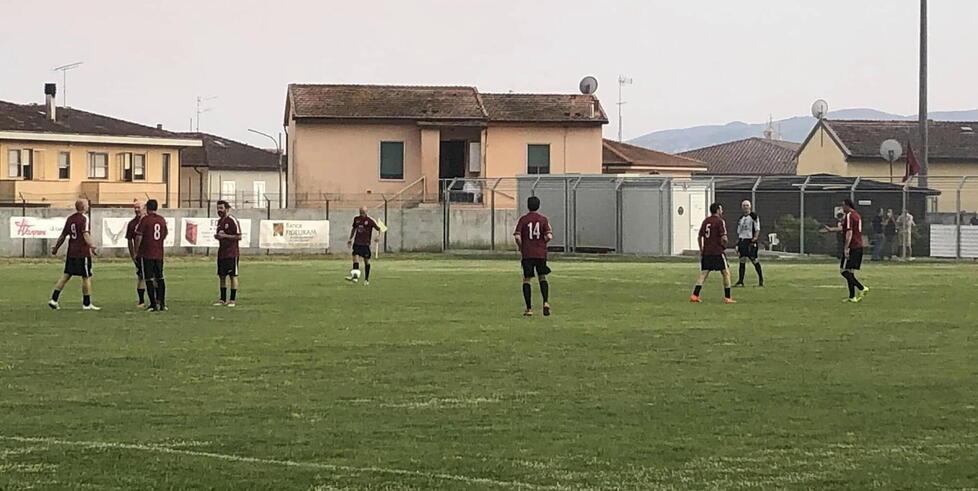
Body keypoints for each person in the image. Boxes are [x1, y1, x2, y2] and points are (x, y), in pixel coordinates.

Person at [48, 199, 100, 311]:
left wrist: (56, 248)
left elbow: (63, 235)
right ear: (83, 207)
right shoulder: (84, 218)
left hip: (71, 252)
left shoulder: (70, 219)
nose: (88, 206)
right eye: (87, 205)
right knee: (86, 277)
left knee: (66, 275)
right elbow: (85, 234)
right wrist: (92, 246)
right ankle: (87, 304)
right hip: (82, 252)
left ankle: (54, 299)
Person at [514, 196, 553, 316]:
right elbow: (549, 236)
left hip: (528, 254)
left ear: (528, 205)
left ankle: (529, 309)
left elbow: (517, 236)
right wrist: (543, 243)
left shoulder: (523, 220)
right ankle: (545, 302)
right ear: (538, 205)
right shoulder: (543, 219)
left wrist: (521, 247)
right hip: (540, 253)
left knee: (527, 279)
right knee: (542, 277)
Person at [690, 203, 735, 304]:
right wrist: (725, 244)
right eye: (721, 209)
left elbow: (699, 236)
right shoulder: (720, 221)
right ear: (718, 210)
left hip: (707, 252)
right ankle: (727, 297)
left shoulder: (706, 221)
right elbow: (724, 237)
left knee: (703, 274)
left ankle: (694, 295)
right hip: (717, 252)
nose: (722, 211)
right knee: (726, 273)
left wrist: (701, 249)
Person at [134, 199, 169, 312]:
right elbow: (165, 234)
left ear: (147, 208)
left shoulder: (145, 220)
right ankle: (162, 303)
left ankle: (153, 304)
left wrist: (137, 251)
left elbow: (139, 236)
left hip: (147, 254)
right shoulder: (161, 220)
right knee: (160, 278)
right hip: (159, 254)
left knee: (148, 279)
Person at [213, 200, 242, 307]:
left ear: (226, 209)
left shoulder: (232, 220)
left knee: (233, 276)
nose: (219, 210)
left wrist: (225, 236)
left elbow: (239, 236)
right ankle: (222, 299)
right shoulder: (220, 221)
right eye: (218, 208)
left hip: (232, 253)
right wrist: (218, 237)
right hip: (222, 253)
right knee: (221, 276)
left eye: (221, 208)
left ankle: (232, 300)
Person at [840, 199, 868, 303]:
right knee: (850, 272)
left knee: (843, 271)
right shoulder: (857, 215)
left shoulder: (849, 216)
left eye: (843, 206)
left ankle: (861, 288)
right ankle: (852, 297)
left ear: (847, 206)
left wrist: (846, 248)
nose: (842, 208)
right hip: (859, 246)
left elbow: (849, 233)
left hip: (852, 246)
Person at [346, 206, 381, 285]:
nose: (361, 213)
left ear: (366, 212)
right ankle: (355, 278)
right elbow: (354, 229)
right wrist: (350, 238)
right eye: (360, 211)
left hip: (365, 244)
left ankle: (366, 280)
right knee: (355, 259)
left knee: (367, 262)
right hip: (357, 243)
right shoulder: (356, 219)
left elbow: (379, 229)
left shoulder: (370, 221)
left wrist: (378, 237)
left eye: (363, 211)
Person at [733, 200, 763, 287]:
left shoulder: (754, 216)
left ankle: (760, 281)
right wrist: (737, 244)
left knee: (754, 260)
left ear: (750, 206)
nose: (745, 207)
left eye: (747, 205)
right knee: (742, 260)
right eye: (744, 205)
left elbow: (757, 228)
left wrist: (755, 238)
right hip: (743, 241)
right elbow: (739, 232)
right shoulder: (741, 219)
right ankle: (740, 281)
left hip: (750, 241)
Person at [126, 200, 147, 308]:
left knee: (154, 277)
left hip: (151, 253)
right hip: (140, 255)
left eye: (138, 207)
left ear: (144, 208)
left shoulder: (149, 221)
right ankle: (141, 301)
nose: (136, 210)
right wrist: (133, 254)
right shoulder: (132, 224)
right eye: (135, 207)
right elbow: (129, 240)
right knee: (141, 277)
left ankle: (158, 300)